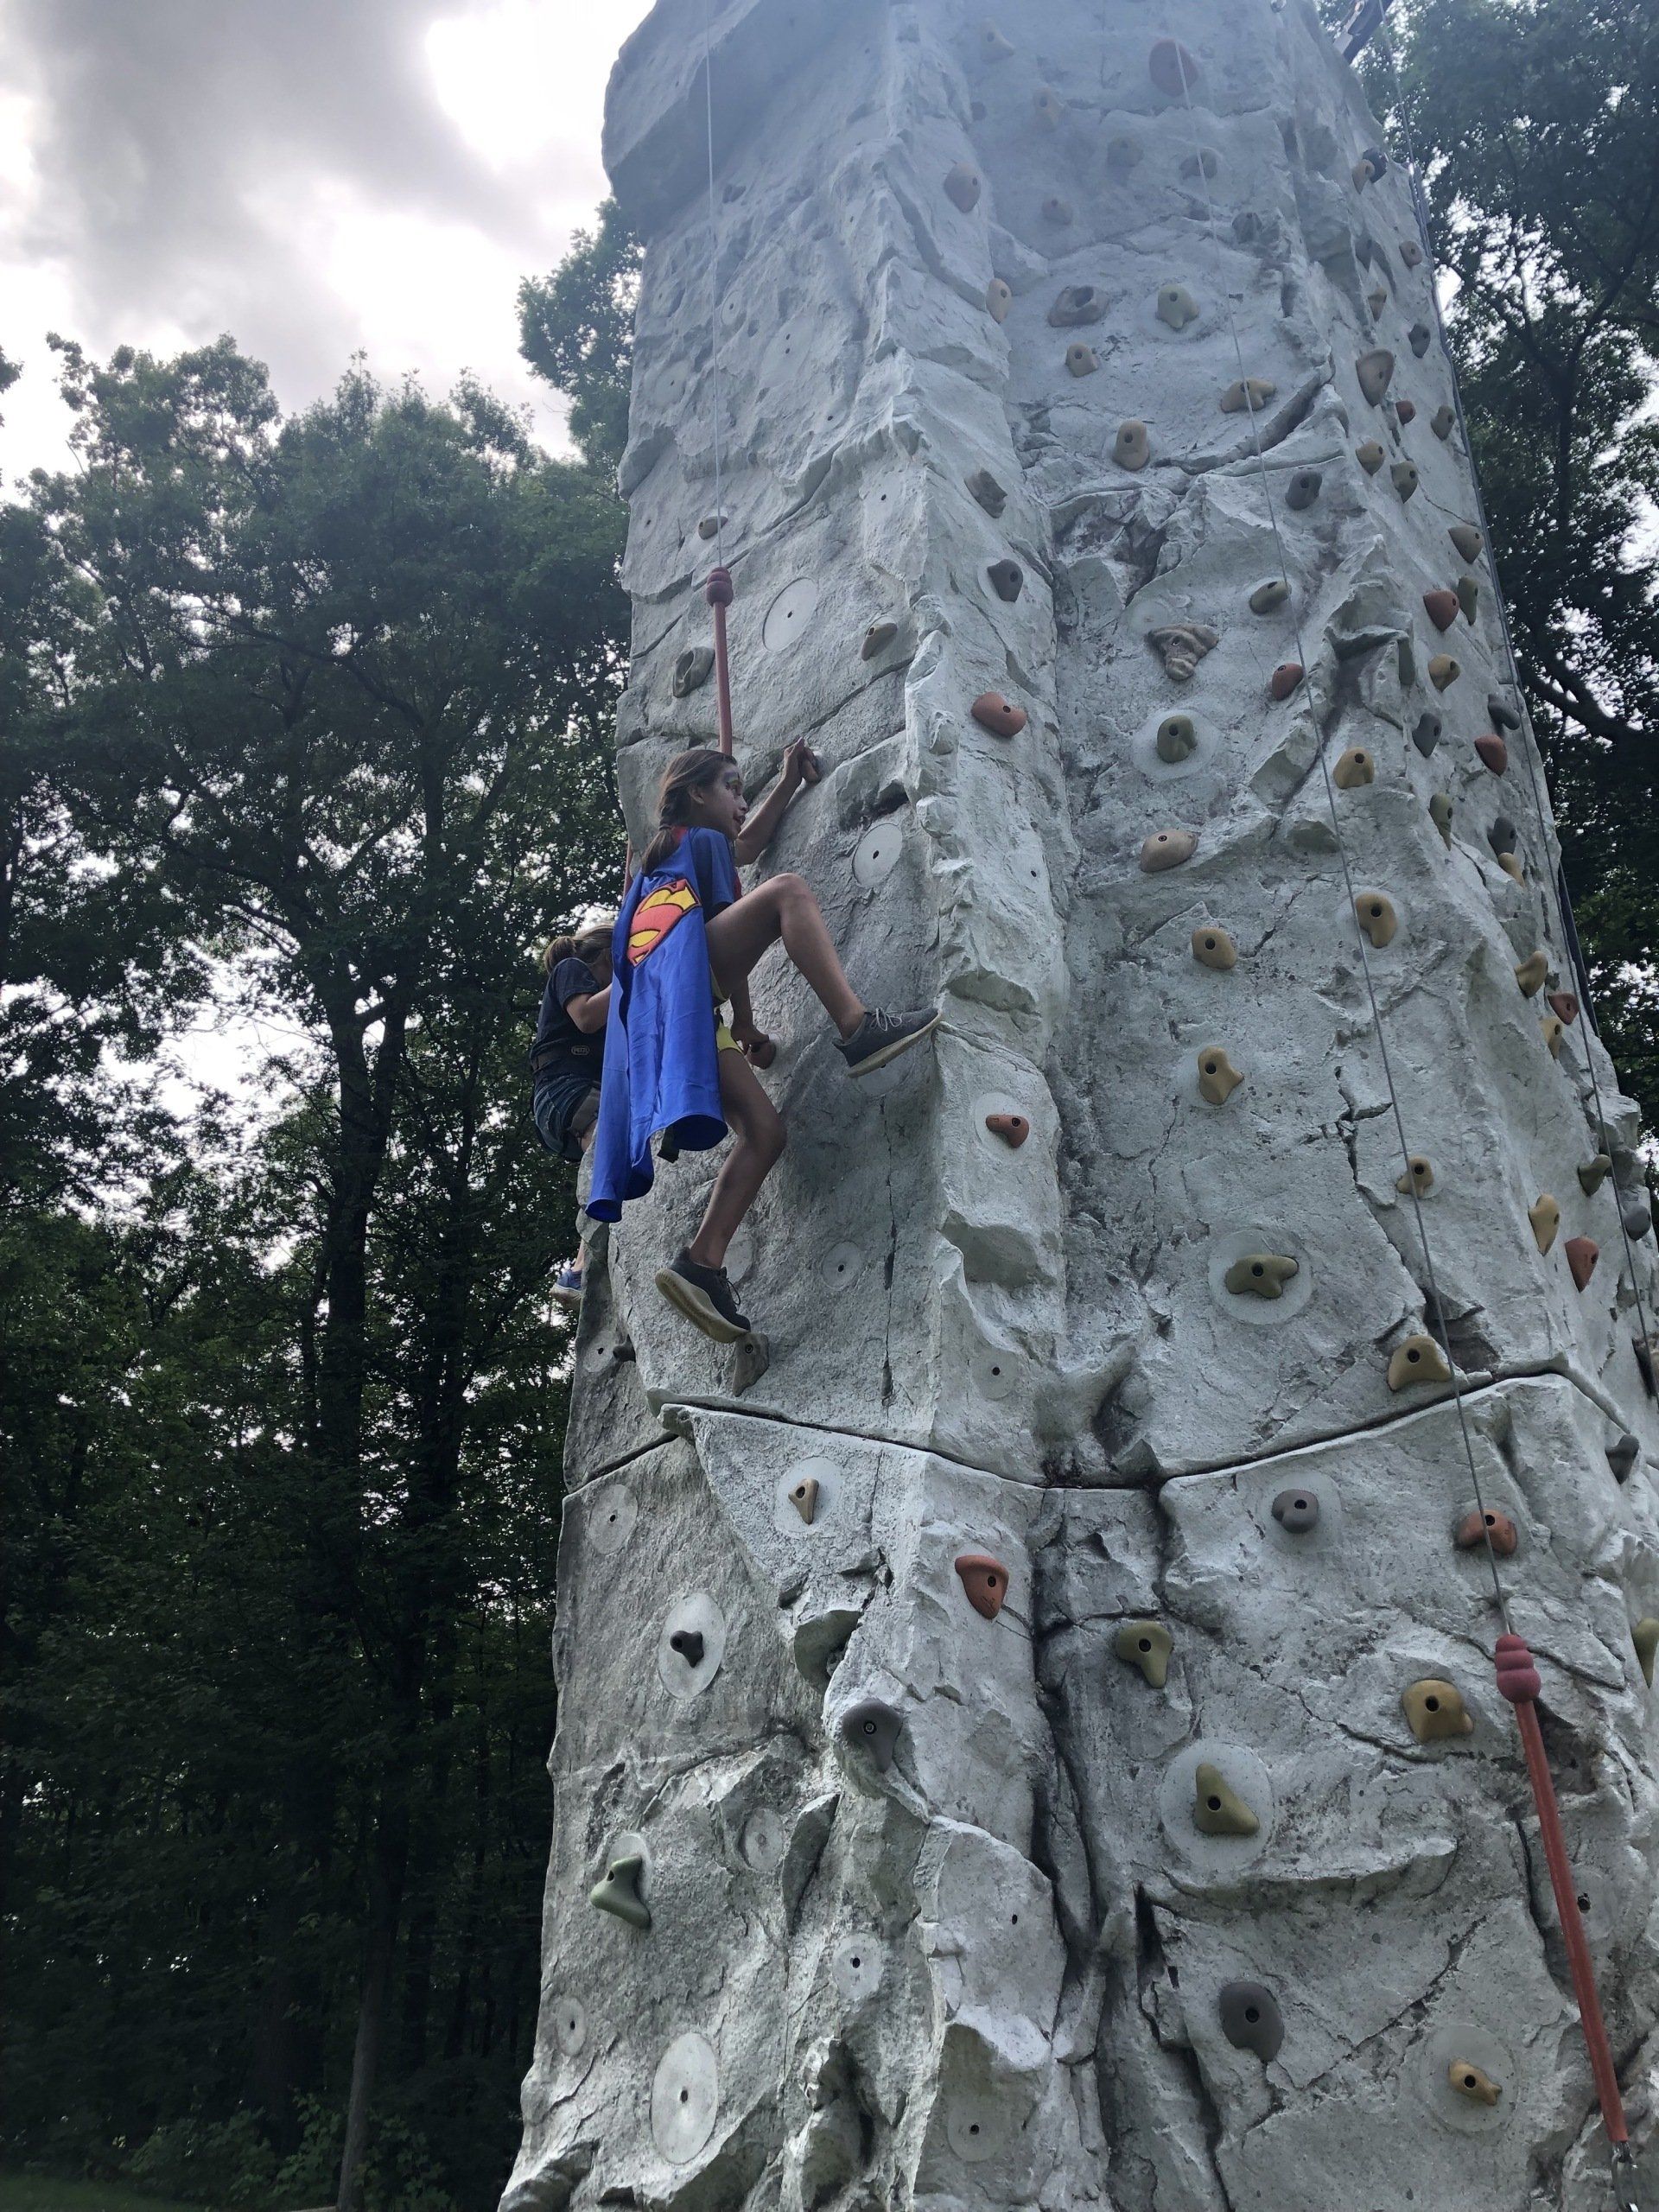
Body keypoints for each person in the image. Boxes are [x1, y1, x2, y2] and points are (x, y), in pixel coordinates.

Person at [588, 741, 939, 1342]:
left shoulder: (663, 860)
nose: (741, 802)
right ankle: (857, 1027)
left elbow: (745, 845)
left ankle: (701, 1263)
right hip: (690, 995)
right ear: (696, 794)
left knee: (765, 1133)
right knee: (787, 892)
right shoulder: (698, 844)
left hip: (671, 1017)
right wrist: (746, 1022)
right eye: (731, 788)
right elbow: (730, 929)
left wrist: (784, 787)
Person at [529, 916, 614, 1310]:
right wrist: (637, 972)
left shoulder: (604, 994)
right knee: (611, 1141)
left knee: (611, 1164)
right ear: (604, 956)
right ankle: (579, 1268)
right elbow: (585, 1016)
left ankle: (579, 1270)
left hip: (570, 1098)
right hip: (563, 1091)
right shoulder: (572, 969)